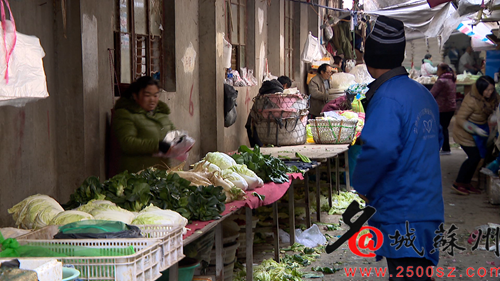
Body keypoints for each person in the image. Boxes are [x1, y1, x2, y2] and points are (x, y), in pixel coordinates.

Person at [352, 16, 444, 280]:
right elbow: (435, 141)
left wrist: (362, 186)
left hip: (402, 212)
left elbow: (379, 149)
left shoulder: (386, 97)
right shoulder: (422, 94)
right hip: (426, 209)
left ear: (370, 60)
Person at [112, 76, 188, 174]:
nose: (152, 100)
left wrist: (180, 140)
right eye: (147, 95)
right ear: (135, 96)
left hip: (161, 174)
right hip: (137, 175)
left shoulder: (161, 114)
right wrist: (158, 146)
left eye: (155, 95)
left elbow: (172, 132)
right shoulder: (125, 114)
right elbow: (127, 143)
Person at [452, 76, 498, 195]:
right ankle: (458, 183)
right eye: (487, 90)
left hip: (481, 129)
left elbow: (497, 106)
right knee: (474, 157)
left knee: (479, 158)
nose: (490, 92)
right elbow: (460, 119)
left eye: (492, 89)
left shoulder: (493, 97)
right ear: (480, 89)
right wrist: (474, 129)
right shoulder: (471, 100)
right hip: (465, 133)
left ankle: (467, 183)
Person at [430, 63, 457, 155]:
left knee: (441, 128)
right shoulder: (452, 79)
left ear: (443, 71)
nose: (437, 72)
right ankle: (445, 147)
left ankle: (444, 148)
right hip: (451, 107)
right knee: (444, 127)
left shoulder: (441, 81)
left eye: (438, 70)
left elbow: (432, 94)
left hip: (443, 108)